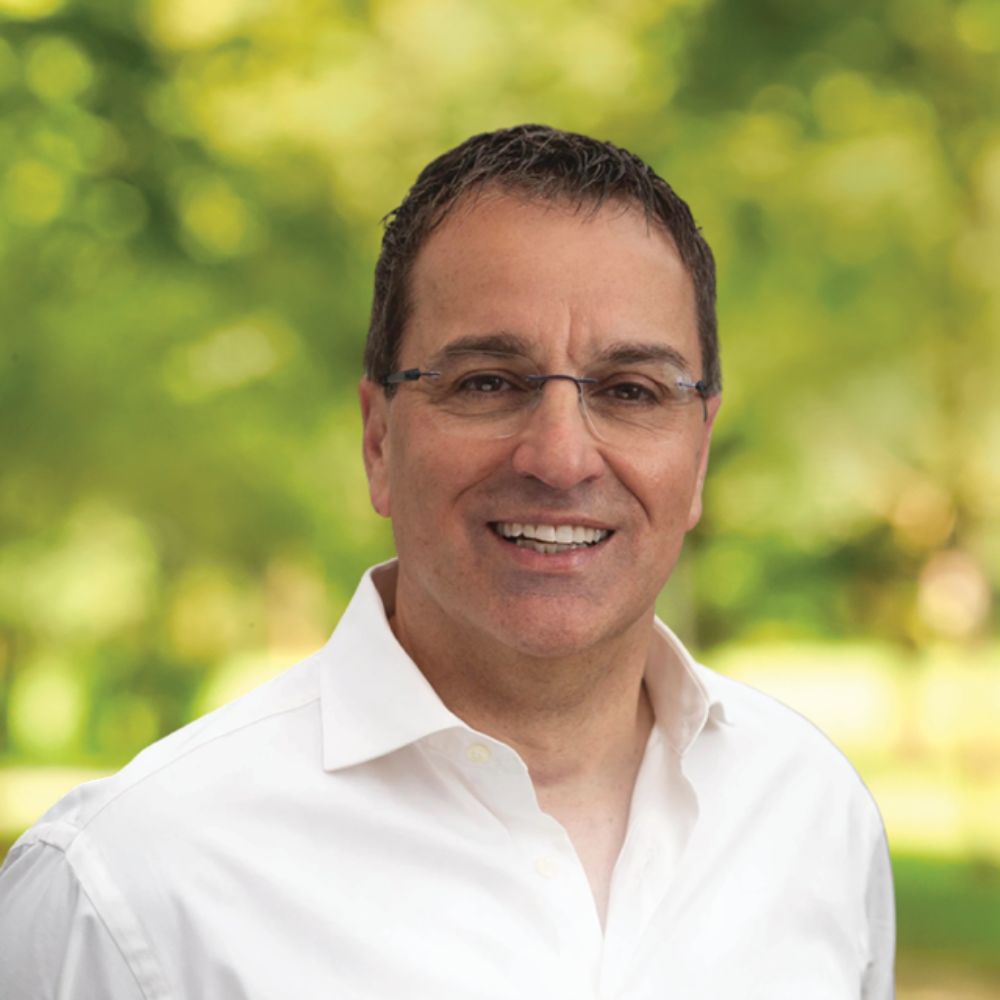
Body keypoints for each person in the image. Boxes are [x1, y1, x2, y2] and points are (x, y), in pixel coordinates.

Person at [0, 124, 894, 999]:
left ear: (698, 455)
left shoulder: (812, 815)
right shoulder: (124, 890)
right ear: (379, 438)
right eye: (488, 383)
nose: (561, 457)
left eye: (630, 391)